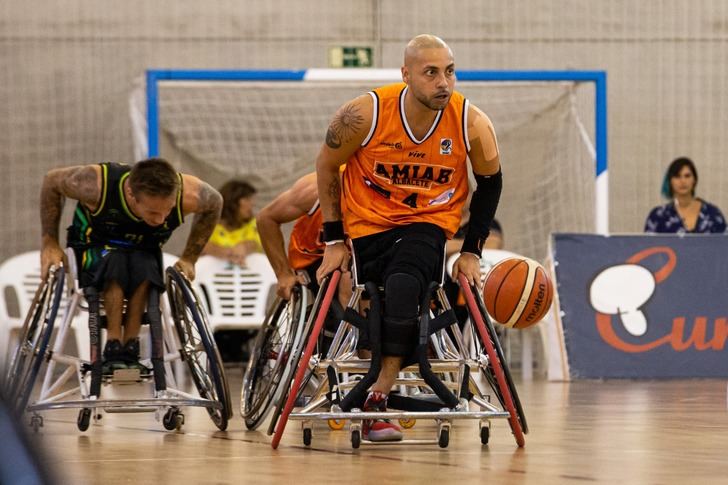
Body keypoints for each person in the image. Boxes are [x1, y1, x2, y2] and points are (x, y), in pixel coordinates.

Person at [315, 34, 502, 442]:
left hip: (430, 222)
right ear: (406, 74)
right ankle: (381, 379)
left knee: (405, 283)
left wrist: (471, 250)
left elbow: (490, 182)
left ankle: (378, 393)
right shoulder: (364, 114)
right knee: (377, 301)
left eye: (449, 72)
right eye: (431, 72)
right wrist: (333, 241)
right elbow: (327, 166)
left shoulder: (471, 121)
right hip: (369, 226)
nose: (443, 83)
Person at [40, 158, 222, 373]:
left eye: (168, 210)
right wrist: (49, 242)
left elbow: (215, 202)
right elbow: (51, 181)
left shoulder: (190, 194)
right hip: (95, 246)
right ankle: (113, 343)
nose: (161, 219)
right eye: (153, 212)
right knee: (115, 260)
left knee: (147, 266)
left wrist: (190, 258)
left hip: (143, 250)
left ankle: (130, 344)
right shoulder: (95, 185)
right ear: (130, 194)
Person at [256, 171, 353, 347]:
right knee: (347, 278)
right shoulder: (316, 188)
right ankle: (353, 348)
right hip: (314, 257)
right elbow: (266, 219)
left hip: (357, 255)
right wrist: (283, 274)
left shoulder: (393, 189)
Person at [644, 157, 726, 234]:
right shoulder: (658, 216)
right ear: (670, 181)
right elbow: (649, 247)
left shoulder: (712, 213)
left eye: (687, 176)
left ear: (694, 180)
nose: (683, 181)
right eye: (677, 176)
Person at [202, 179, 262, 266]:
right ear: (233, 202)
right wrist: (228, 252)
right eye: (247, 199)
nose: (252, 204)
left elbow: (256, 243)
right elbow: (202, 246)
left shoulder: (253, 223)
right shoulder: (209, 224)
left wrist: (244, 247)